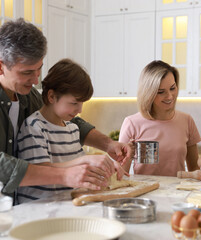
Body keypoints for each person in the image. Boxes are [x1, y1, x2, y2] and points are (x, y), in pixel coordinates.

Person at [0, 18, 132, 204]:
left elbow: (68, 121)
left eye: (38, 70)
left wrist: (108, 144)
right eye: (26, 72)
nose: (35, 80)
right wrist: (65, 175)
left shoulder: (28, 95)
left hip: (9, 209)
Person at [16, 59, 128, 203]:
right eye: (74, 103)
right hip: (39, 209)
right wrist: (85, 160)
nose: (80, 110)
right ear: (51, 96)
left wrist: (107, 167)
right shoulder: (34, 127)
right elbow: (40, 169)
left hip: (66, 206)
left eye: (81, 103)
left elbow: (81, 171)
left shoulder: (72, 129)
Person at [119, 60, 201, 176]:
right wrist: (129, 155)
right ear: (149, 93)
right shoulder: (132, 123)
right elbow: (120, 175)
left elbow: (194, 169)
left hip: (177, 192)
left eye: (173, 88)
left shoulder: (186, 121)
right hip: (144, 192)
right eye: (161, 92)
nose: (169, 96)